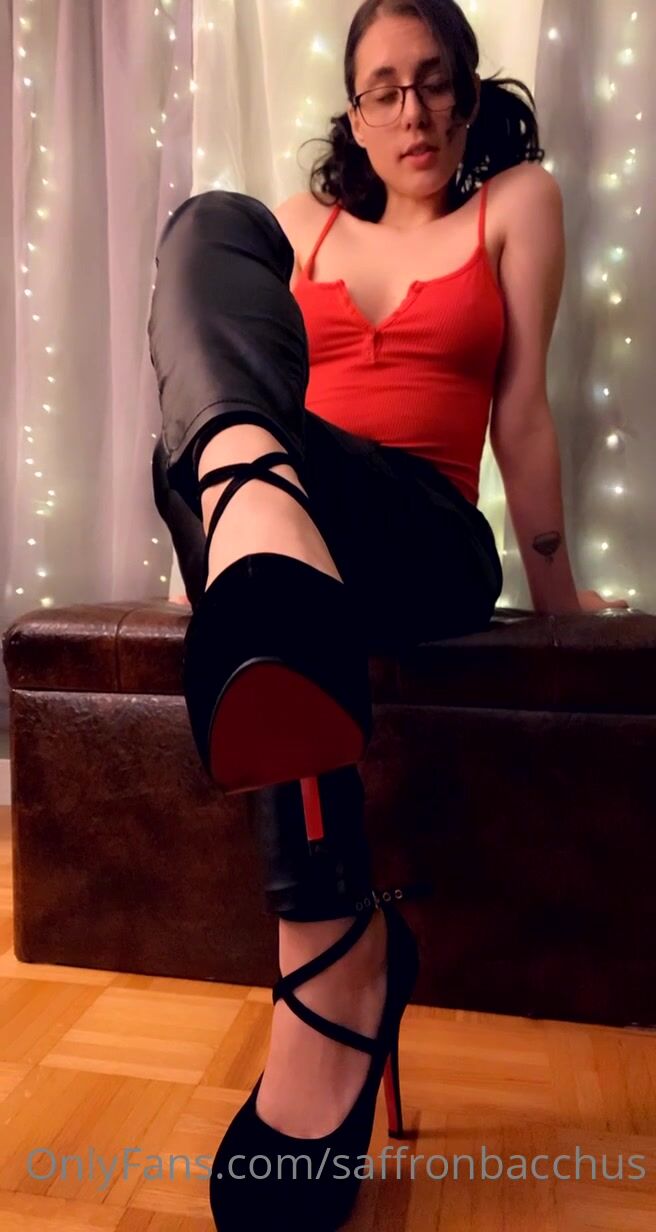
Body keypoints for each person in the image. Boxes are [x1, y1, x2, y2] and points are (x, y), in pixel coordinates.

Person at [148, 1, 623, 1227]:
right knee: (206, 226)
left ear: (464, 93)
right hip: (296, 522)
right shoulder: (296, 226)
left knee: (222, 478)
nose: (410, 111)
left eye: (432, 82)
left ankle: (328, 972)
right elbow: (217, 372)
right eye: (381, 89)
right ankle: (341, 949)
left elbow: (521, 411)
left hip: (425, 536)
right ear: (351, 115)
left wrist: (558, 599)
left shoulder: (513, 202)